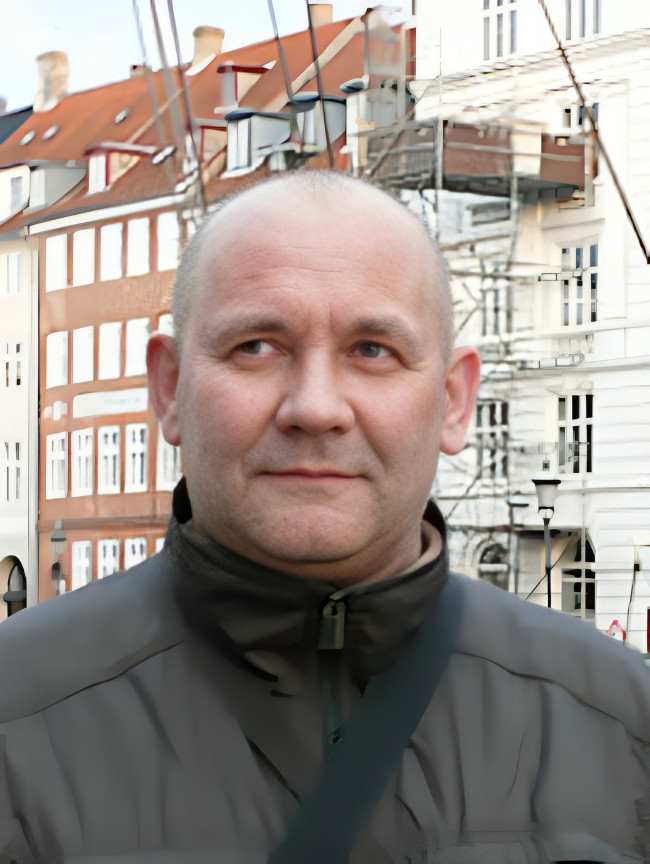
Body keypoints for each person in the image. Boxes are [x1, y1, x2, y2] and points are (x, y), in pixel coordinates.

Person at [0, 170, 647, 864]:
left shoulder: (624, 721)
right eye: (256, 346)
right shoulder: (15, 719)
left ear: (454, 402)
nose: (314, 408)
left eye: (373, 351)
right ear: (170, 388)